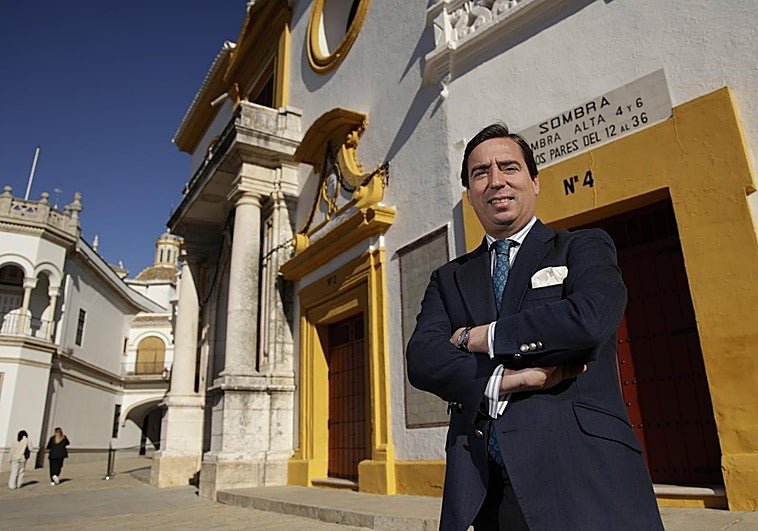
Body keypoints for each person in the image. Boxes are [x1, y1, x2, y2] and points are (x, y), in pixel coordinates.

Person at [406, 123, 663, 530]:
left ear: (535, 181)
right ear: (470, 193)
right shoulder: (449, 278)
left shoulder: (582, 247)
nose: (496, 181)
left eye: (509, 167)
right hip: (490, 494)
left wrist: (480, 336)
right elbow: (422, 358)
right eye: (480, 173)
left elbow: (588, 320)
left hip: (584, 480)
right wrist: (505, 380)